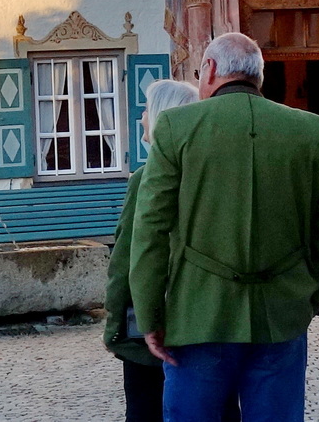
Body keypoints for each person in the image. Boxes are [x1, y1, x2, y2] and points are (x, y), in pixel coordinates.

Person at [130, 31, 319, 422]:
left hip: (198, 315)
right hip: (281, 314)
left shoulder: (176, 127)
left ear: (210, 68)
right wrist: (314, 293)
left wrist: (149, 316)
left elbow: (150, 230)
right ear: (257, 76)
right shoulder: (313, 130)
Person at [107, 78, 242, 422]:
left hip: (158, 319)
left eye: (145, 109)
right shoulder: (214, 176)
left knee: (146, 409)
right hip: (210, 316)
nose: (140, 117)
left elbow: (129, 256)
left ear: (160, 115)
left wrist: (117, 324)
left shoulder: (146, 177)